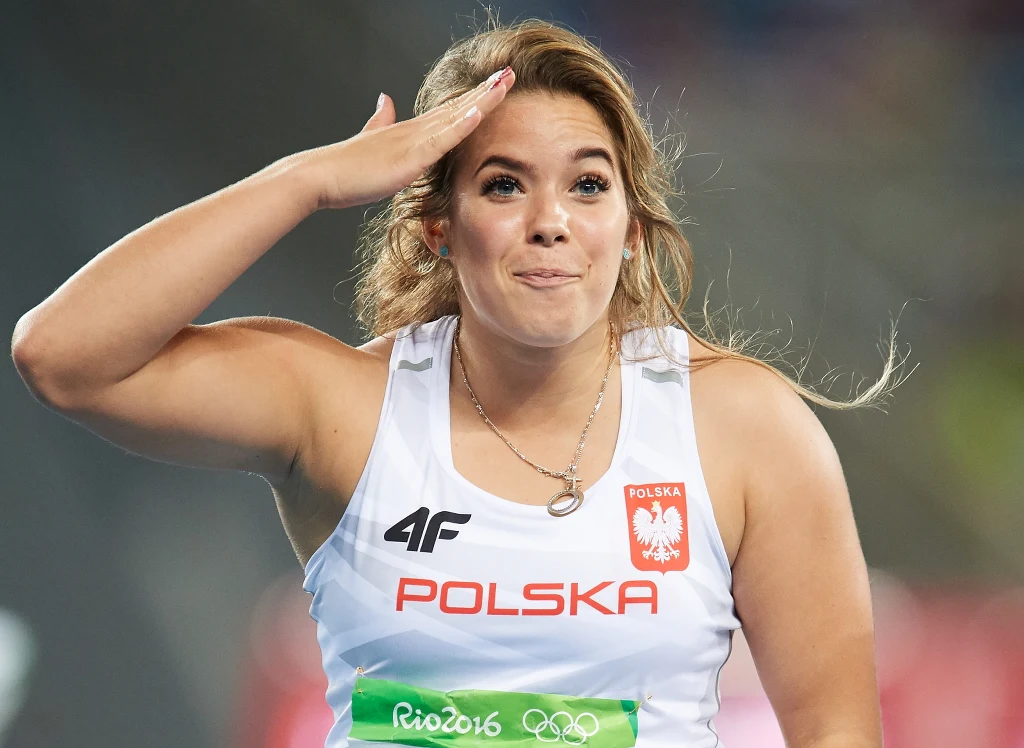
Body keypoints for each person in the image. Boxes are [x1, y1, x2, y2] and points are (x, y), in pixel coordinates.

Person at [11, 18, 894, 748]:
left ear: (631, 230)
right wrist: (309, 179)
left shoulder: (741, 425)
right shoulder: (346, 407)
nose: (550, 222)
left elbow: (837, 733)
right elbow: (63, 356)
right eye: (504, 185)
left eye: (589, 185)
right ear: (438, 225)